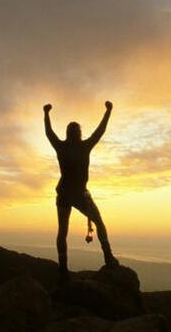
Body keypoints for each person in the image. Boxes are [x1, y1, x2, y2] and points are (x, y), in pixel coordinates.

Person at [44, 101, 119, 277]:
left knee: (62, 231)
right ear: (79, 134)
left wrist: (46, 114)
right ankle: (108, 257)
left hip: (63, 193)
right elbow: (100, 131)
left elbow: (49, 133)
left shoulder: (61, 147)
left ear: (67, 134)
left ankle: (63, 269)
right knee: (99, 222)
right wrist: (108, 111)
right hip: (79, 194)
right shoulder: (84, 146)